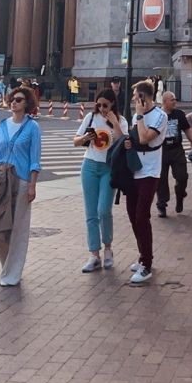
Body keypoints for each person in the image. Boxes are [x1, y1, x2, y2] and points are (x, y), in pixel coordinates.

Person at [0, 86, 42, 286]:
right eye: (12, 99)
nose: (14, 103)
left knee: (18, 230)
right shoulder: (2, 126)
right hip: (0, 181)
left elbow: (35, 159)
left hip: (22, 181)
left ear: (27, 104)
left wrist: (33, 185)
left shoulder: (32, 127)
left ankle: (12, 273)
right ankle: (8, 268)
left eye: (19, 100)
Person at [74, 88, 128, 273]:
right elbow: (75, 141)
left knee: (104, 209)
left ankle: (108, 249)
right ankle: (94, 254)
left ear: (113, 104)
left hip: (109, 168)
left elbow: (124, 142)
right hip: (89, 165)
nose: (102, 108)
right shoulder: (91, 118)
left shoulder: (121, 121)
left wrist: (114, 122)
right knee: (91, 213)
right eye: (99, 104)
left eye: (105, 105)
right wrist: (85, 137)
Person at [125, 79, 167, 285]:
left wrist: (140, 116)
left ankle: (147, 265)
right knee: (133, 215)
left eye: (135, 95)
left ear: (143, 96)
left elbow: (144, 138)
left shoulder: (160, 116)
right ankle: (143, 255)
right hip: (134, 170)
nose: (133, 99)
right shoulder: (137, 115)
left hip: (150, 171)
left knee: (142, 216)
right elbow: (135, 138)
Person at [156, 91, 192, 218]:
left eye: (175, 99)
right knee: (161, 179)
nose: (175, 102)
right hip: (161, 151)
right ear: (164, 102)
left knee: (182, 176)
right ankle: (162, 205)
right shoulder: (157, 115)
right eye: (172, 100)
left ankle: (180, 195)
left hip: (177, 150)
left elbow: (187, 129)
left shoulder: (179, 114)